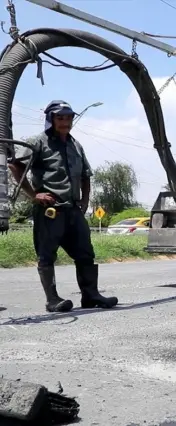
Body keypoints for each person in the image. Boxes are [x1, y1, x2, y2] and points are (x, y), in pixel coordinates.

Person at [8, 100, 118, 312]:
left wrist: (85, 201)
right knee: (47, 255)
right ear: (51, 119)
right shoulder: (39, 142)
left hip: (73, 210)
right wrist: (34, 194)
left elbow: (86, 175)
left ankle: (91, 295)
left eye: (68, 118)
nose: (65, 122)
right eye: (60, 118)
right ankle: (52, 300)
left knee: (86, 253)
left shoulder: (75, 145)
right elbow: (15, 165)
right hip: (50, 210)